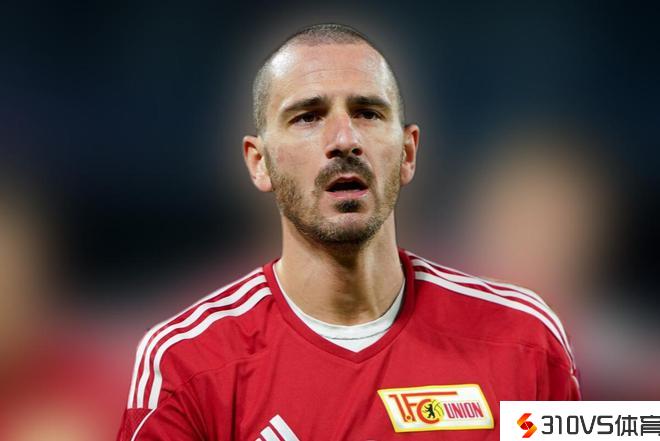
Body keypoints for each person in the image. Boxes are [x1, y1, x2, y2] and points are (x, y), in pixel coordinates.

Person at [116, 23, 579, 441]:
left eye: (367, 113)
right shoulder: (186, 363)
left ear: (408, 153)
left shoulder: (526, 340)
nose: (344, 140)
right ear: (259, 163)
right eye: (308, 116)